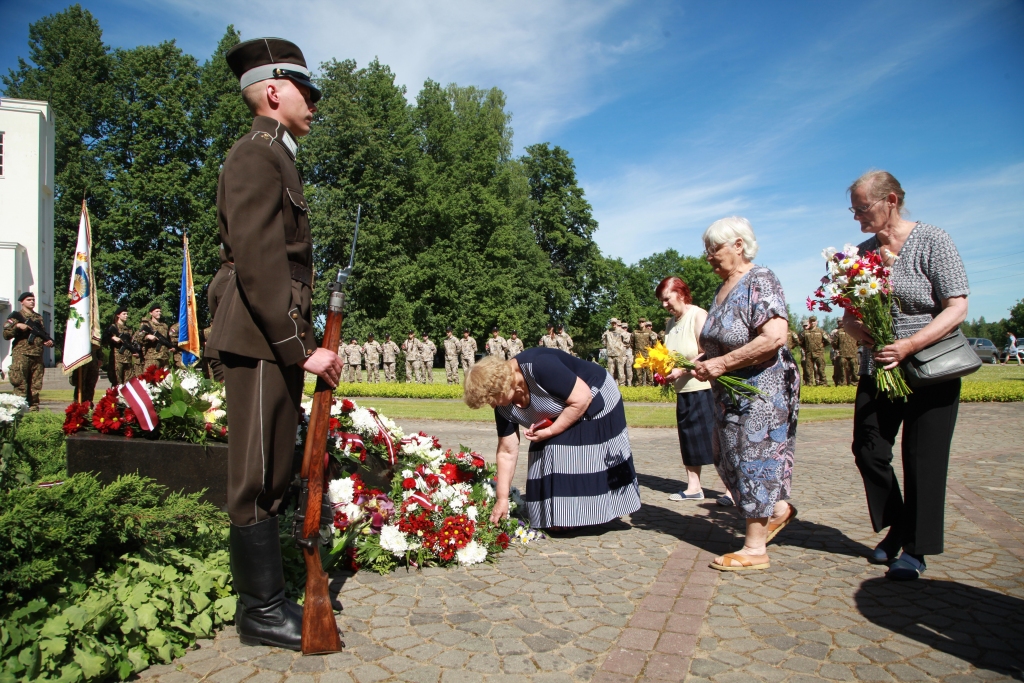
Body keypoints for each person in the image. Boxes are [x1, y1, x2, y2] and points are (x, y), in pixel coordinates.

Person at [205, 37, 343, 650]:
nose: (313, 103)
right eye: (305, 92)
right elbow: (261, 264)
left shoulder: (278, 157)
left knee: (275, 469)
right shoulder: (256, 155)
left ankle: (270, 598)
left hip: (271, 338)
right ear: (272, 90)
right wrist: (298, 346)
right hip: (260, 337)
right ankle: (260, 611)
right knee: (258, 475)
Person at [842, 171, 969, 581]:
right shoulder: (859, 254)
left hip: (931, 367)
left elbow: (956, 307)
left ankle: (915, 549)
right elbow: (847, 319)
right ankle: (900, 525)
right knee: (868, 448)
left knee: (923, 461)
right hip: (879, 368)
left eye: (863, 208)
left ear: (890, 200)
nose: (858, 217)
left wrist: (910, 345)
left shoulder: (933, 240)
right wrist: (870, 334)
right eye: (854, 209)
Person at [692, 217, 799, 572]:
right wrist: (702, 360)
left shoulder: (760, 279)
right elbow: (725, 338)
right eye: (706, 250)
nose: (709, 257)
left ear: (739, 245)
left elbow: (773, 338)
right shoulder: (722, 288)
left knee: (754, 457)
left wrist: (721, 364)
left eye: (715, 249)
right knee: (725, 457)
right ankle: (779, 510)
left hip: (762, 389)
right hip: (729, 392)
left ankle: (755, 549)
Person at [464, 349, 641, 530]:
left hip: (594, 395)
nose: (492, 405)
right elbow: (507, 451)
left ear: (501, 385)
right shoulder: (503, 406)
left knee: (560, 448)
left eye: (491, 399)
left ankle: (584, 514)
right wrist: (502, 498)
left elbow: (582, 398)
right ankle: (563, 515)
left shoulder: (540, 365)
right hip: (564, 409)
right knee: (542, 452)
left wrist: (550, 431)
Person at [656, 276, 733, 506]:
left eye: (667, 299)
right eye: (661, 301)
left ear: (681, 293)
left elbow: (707, 351)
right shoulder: (670, 324)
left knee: (715, 439)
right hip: (683, 390)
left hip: (704, 387)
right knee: (688, 438)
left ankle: (732, 490)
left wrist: (683, 370)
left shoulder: (698, 315)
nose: (664, 305)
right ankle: (694, 487)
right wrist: (663, 370)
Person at [3, 292, 54, 410]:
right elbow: (5, 335)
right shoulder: (15, 317)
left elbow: (40, 335)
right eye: (29, 300)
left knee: (35, 386)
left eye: (33, 299)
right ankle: (19, 410)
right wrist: (17, 327)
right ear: (22, 302)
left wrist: (46, 341)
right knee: (20, 385)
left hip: (37, 355)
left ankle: (33, 410)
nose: (32, 301)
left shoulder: (38, 317)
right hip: (22, 355)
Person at [205, 250, 234, 383]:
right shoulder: (228, 278)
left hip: (226, 351)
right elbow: (230, 318)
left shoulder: (224, 275)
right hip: (227, 353)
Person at [106, 306, 137, 385]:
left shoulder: (128, 329)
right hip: (117, 359)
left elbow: (132, 342)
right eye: (124, 314)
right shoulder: (113, 327)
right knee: (117, 382)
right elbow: (104, 340)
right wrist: (112, 338)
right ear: (118, 315)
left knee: (129, 383)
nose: (126, 315)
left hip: (128, 359)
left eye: (127, 314)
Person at [136, 303, 172, 370]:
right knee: (150, 378)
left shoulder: (164, 326)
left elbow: (168, 339)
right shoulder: (147, 324)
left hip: (165, 358)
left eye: (160, 311)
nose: (159, 313)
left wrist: (171, 347)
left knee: (165, 379)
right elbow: (138, 338)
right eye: (157, 311)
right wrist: (147, 337)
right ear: (151, 313)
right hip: (152, 357)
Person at [799, 316, 828, 386]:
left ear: (816, 322)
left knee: (821, 369)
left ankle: (823, 383)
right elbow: (799, 341)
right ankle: (809, 383)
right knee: (809, 370)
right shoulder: (805, 332)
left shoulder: (821, 331)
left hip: (819, 353)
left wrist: (821, 346)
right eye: (811, 321)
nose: (812, 323)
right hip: (809, 353)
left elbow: (828, 341)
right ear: (809, 322)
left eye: (814, 321)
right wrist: (805, 347)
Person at [832, 320, 858, 386]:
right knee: (842, 370)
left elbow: (859, 342)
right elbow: (834, 343)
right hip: (843, 354)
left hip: (853, 354)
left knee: (854, 369)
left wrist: (854, 348)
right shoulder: (839, 332)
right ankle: (842, 382)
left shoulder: (855, 331)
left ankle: (854, 382)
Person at [602, 319, 625, 385]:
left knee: (620, 370)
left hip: (619, 354)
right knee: (610, 371)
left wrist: (621, 347)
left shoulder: (621, 332)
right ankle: (611, 384)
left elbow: (626, 341)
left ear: (617, 323)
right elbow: (603, 341)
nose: (613, 324)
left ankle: (622, 384)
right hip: (610, 354)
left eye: (615, 323)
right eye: (612, 323)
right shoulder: (607, 332)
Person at [619, 321, 634, 387]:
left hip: (628, 352)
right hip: (621, 353)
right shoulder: (618, 335)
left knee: (629, 368)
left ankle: (629, 383)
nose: (624, 329)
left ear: (627, 328)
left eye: (625, 327)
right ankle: (622, 383)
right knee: (621, 369)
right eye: (623, 327)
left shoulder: (630, 334)